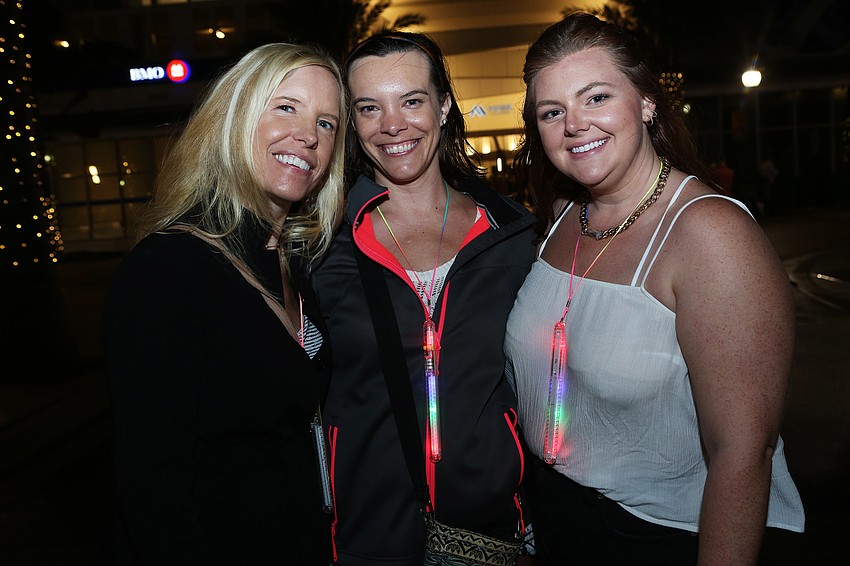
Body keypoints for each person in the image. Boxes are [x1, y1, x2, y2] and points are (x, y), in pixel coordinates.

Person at [504, 12, 805, 565]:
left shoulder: (710, 234)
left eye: (595, 98)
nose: (574, 124)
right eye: (552, 111)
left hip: (656, 538)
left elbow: (743, 455)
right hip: (552, 523)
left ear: (645, 102)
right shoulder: (560, 215)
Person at [101, 42, 347, 565]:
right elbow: (153, 489)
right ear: (234, 118)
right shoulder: (169, 269)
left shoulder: (294, 263)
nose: (308, 134)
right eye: (286, 107)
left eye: (327, 124)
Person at [311, 32, 536, 565]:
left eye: (411, 100)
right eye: (369, 107)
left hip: (490, 536)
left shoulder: (512, 236)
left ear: (444, 106)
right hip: (368, 538)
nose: (392, 125)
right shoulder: (323, 245)